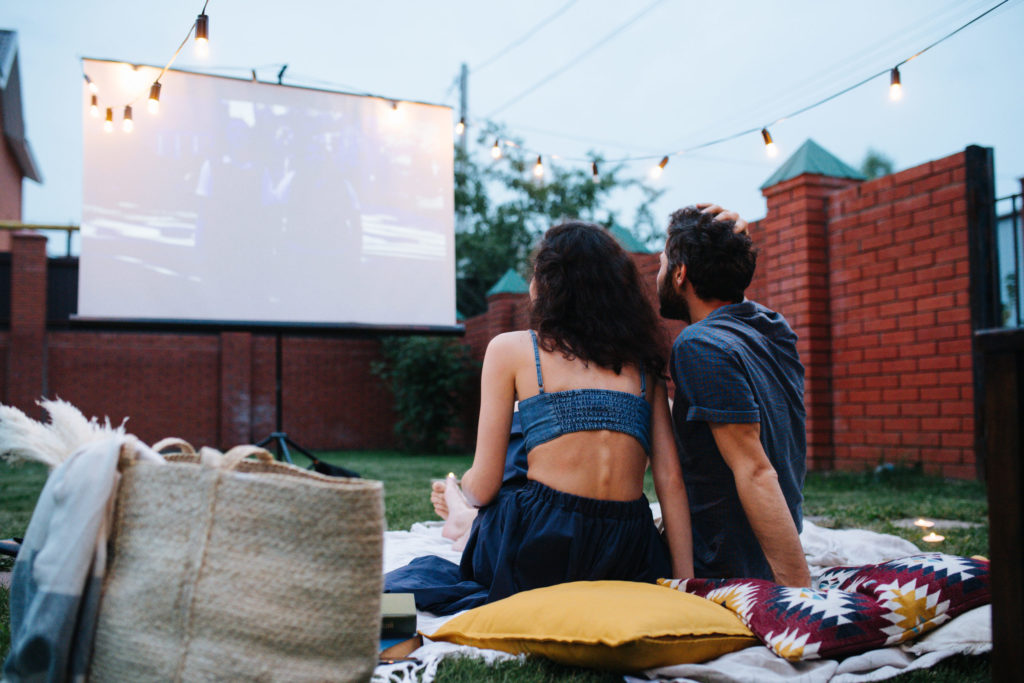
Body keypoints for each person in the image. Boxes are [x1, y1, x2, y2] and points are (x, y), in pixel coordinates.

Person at [386, 221, 694, 614]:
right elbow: (670, 482)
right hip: (626, 549)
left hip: (541, 549)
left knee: (507, 465)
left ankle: (454, 505)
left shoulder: (512, 349)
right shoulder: (642, 366)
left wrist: (466, 488)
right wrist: (685, 583)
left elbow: (484, 488)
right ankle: (457, 511)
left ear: (551, 285)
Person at [657, 205, 811, 587]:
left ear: (680, 275)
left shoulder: (699, 345)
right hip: (758, 552)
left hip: (722, 566)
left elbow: (755, 470)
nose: (656, 274)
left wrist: (802, 598)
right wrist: (726, 240)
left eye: (661, 264)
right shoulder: (772, 327)